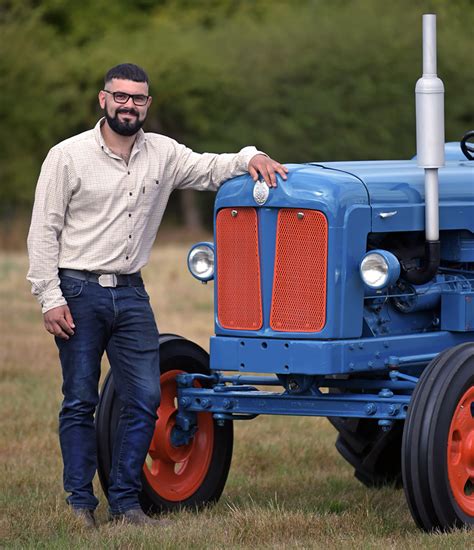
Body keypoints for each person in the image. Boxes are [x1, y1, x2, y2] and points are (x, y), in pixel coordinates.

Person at [27, 63, 288, 528]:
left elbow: (210, 168)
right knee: (80, 400)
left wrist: (250, 155)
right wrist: (50, 296)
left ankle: (126, 503)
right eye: (120, 97)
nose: (129, 105)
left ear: (148, 104)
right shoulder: (66, 156)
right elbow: (43, 230)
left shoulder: (163, 153)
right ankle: (79, 503)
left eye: (139, 98)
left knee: (146, 397)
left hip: (130, 294)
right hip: (78, 289)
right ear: (103, 100)